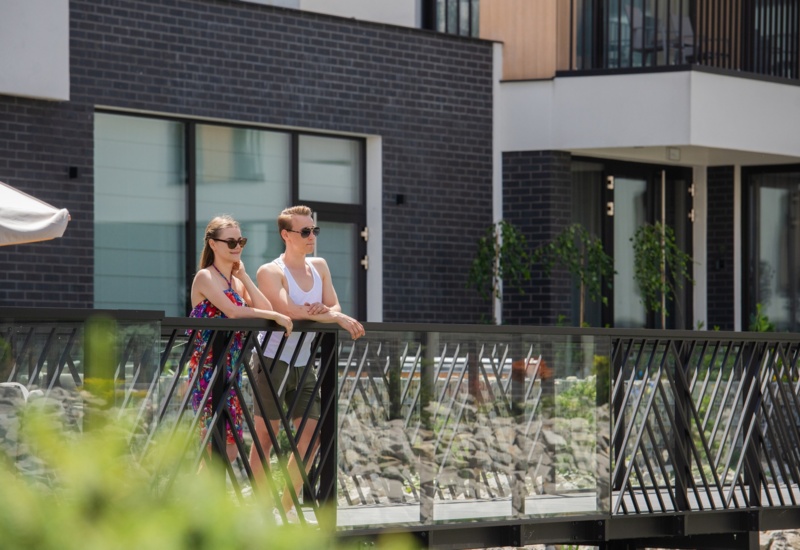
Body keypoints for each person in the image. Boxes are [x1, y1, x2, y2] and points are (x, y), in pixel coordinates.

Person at [248, 205, 364, 524]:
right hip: (271, 360)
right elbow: (287, 311)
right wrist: (331, 315)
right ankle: (261, 514)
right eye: (305, 231)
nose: (312, 236)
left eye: (314, 230)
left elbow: (334, 304)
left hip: (304, 361)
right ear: (286, 235)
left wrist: (327, 312)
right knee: (266, 438)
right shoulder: (270, 271)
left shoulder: (320, 266)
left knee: (311, 437)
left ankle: (284, 509)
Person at [187, 215, 292, 465]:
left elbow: (265, 308)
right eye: (231, 242)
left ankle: (203, 490)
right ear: (213, 244)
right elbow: (233, 311)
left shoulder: (235, 282)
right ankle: (201, 491)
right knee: (212, 446)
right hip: (207, 370)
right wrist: (275, 316)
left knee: (231, 449)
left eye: (241, 241)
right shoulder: (205, 277)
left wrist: (244, 277)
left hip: (231, 369)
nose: (237, 247)